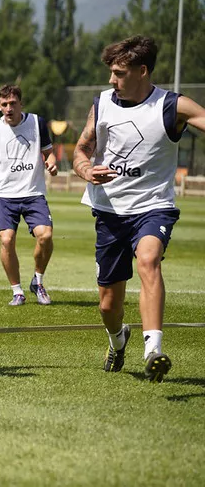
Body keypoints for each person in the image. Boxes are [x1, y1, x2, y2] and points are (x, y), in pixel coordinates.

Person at [72, 35, 205, 382]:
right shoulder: (102, 104)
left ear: (142, 70)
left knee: (148, 260)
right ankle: (119, 340)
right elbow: (80, 151)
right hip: (110, 211)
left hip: (153, 207)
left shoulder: (172, 106)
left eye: (119, 73)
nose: (112, 80)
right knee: (108, 305)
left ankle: (153, 350)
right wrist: (87, 170)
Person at [0, 85, 58, 306]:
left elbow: (49, 153)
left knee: (45, 236)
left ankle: (38, 281)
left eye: (13, 103)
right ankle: (17, 291)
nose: (9, 108)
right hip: (5, 196)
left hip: (34, 193)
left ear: (20, 104)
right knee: (6, 240)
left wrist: (52, 163)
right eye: (4, 104)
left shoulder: (37, 123)